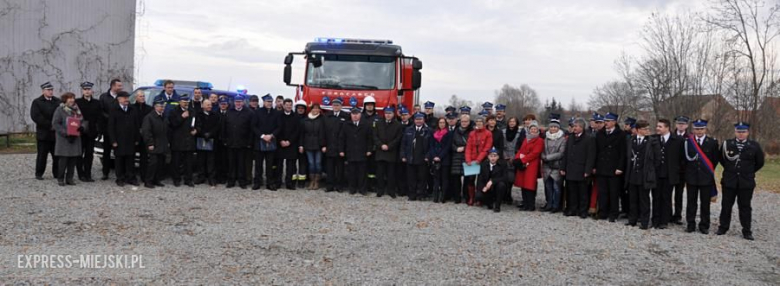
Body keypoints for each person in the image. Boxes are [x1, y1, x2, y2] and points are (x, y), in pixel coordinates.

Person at [716, 122, 764, 240]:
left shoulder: (754, 146)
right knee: (726, 205)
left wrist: (748, 172)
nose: (741, 134)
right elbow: (722, 160)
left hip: (746, 182)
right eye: (738, 131)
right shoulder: (727, 144)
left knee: (745, 206)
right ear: (735, 132)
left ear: (747, 132)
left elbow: (759, 162)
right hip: (729, 180)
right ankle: (723, 227)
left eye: (743, 132)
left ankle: (746, 231)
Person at [683, 119, 719, 234]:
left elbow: (714, 160)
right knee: (691, 202)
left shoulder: (712, 142)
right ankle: (690, 224)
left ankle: (704, 225)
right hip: (691, 177)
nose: (699, 131)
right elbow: (684, 159)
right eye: (697, 129)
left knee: (705, 203)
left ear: (705, 129)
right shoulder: (688, 142)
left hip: (706, 177)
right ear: (693, 129)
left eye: (701, 129)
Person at [624, 120, 661, 229]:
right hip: (632, 174)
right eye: (645, 129)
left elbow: (657, 159)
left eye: (648, 129)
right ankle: (632, 220)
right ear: (638, 130)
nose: (647, 131)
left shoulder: (652, 141)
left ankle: (644, 222)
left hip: (644, 174)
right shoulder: (631, 140)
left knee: (644, 199)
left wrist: (650, 170)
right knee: (633, 199)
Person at [595, 112, 627, 222]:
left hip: (614, 168)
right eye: (605, 121)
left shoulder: (621, 134)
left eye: (608, 121)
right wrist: (595, 166)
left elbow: (623, 153)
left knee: (614, 192)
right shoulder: (600, 133)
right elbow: (596, 151)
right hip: (602, 167)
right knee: (602, 192)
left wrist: (620, 167)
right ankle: (603, 212)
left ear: (614, 122)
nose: (606, 123)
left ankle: (614, 213)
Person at [561, 118, 596, 218]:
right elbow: (566, 153)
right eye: (573, 126)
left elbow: (591, 156)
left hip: (582, 169)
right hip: (571, 169)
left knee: (583, 192)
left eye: (576, 126)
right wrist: (563, 168)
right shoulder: (570, 137)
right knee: (571, 191)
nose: (574, 128)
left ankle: (583, 211)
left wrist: (588, 170)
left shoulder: (589, 138)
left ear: (581, 127)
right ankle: (572, 209)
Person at [652, 118, 683, 229]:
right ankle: (655, 219)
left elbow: (681, 158)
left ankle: (664, 220)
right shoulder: (654, 139)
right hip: (656, 173)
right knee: (656, 197)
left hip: (670, 174)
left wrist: (677, 170)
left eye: (660, 126)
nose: (657, 128)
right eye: (657, 126)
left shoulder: (678, 140)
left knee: (666, 197)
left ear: (667, 128)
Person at [107, 91, 139, 187]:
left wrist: (137, 138)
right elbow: (111, 127)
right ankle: (120, 178)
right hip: (119, 140)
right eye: (124, 98)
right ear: (119, 99)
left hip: (130, 140)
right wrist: (113, 141)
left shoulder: (132, 109)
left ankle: (131, 178)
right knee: (119, 161)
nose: (126, 100)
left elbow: (136, 125)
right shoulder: (114, 110)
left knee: (130, 160)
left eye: (127, 97)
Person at [31, 82, 61, 180]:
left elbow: (62, 114)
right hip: (43, 134)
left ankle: (57, 173)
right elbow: (36, 116)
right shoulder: (37, 102)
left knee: (56, 156)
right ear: (43, 91)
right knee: (42, 155)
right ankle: (39, 173)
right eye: (48, 90)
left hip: (55, 134)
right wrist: (49, 125)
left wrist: (56, 125)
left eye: (51, 90)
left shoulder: (58, 101)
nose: (50, 92)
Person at [51, 92, 82, 186]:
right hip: (64, 139)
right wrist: (66, 133)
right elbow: (55, 123)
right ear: (65, 100)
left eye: (73, 98)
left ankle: (70, 178)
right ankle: (60, 178)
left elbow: (82, 120)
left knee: (73, 160)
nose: (72, 100)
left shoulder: (77, 109)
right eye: (70, 98)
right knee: (63, 160)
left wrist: (82, 127)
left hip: (75, 138)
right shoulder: (60, 110)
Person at [222, 95, 253, 189]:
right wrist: (225, 140)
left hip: (243, 143)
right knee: (231, 163)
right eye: (236, 102)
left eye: (240, 101)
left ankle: (241, 181)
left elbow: (251, 129)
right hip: (231, 142)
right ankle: (231, 180)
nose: (238, 103)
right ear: (234, 102)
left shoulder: (249, 113)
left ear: (243, 102)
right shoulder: (229, 112)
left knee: (241, 163)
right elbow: (224, 127)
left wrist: (249, 142)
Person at [252, 94, 281, 190]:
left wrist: (272, 135)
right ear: (264, 102)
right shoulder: (257, 112)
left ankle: (270, 183)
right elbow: (253, 126)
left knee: (270, 164)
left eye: (270, 102)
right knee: (258, 164)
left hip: (271, 141)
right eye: (268, 102)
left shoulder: (276, 113)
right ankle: (257, 182)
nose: (269, 103)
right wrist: (263, 136)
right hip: (259, 141)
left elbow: (279, 127)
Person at [513, 121, 544, 211]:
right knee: (523, 183)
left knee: (530, 184)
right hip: (523, 164)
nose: (533, 131)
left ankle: (531, 204)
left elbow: (535, 153)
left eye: (535, 129)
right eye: (531, 129)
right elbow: (521, 150)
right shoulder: (526, 139)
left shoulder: (539, 140)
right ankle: (525, 202)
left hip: (532, 164)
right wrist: (517, 158)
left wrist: (522, 160)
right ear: (529, 130)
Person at [374, 105, 403, 198]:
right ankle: (380, 190)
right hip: (380, 152)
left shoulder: (398, 125)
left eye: (390, 113)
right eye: (386, 113)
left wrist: (389, 146)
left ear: (393, 114)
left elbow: (398, 138)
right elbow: (374, 136)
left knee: (391, 174)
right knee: (380, 174)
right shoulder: (378, 123)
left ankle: (391, 191)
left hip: (391, 153)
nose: (388, 115)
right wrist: (381, 145)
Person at [401, 112, 431, 201]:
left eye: (420, 119)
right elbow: (403, 144)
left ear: (423, 120)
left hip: (422, 158)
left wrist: (428, 156)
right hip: (411, 157)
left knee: (422, 178)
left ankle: (421, 195)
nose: (418, 121)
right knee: (411, 178)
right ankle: (412, 195)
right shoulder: (408, 130)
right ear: (414, 120)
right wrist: (403, 155)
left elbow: (431, 145)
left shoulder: (428, 131)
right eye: (417, 119)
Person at [342, 108, 373, 195]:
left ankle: (362, 189)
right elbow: (342, 138)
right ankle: (352, 188)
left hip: (362, 152)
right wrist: (342, 150)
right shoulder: (346, 125)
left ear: (360, 114)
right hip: (350, 151)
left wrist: (369, 149)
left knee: (362, 172)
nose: (355, 116)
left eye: (357, 114)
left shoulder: (366, 125)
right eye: (353, 114)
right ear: (350, 115)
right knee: (351, 172)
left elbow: (370, 138)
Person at [169, 95, 197, 187]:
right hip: (177, 141)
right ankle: (176, 179)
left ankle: (188, 179)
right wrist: (182, 117)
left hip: (189, 140)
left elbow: (197, 123)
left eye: (187, 102)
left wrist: (196, 130)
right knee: (176, 162)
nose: (186, 104)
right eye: (184, 102)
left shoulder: (192, 111)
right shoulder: (174, 111)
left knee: (188, 162)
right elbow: (173, 124)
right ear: (180, 102)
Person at [465, 117, 493, 206]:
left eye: (480, 122)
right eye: (477, 122)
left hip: (483, 160)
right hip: (472, 160)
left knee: (481, 180)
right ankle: (471, 198)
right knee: (471, 179)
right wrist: (468, 160)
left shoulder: (488, 133)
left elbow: (487, 148)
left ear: (484, 124)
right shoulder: (472, 133)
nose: (479, 124)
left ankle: (480, 198)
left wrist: (479, 159)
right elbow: (468, 147)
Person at [75, 82, 100, 182]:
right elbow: (73, 117)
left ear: (92, 90)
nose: (87, 91)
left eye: (89, 89)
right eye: (85, 89)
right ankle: (81, 174)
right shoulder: (77, 102)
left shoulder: (96, 103)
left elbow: (99, 118)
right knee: (79, 154)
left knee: (89, 154)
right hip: (80, 133)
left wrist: (98, 130)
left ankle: (88, 174)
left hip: (91, 133)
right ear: (82, 90)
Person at [141, 99, 169, 188]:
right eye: (161, 106)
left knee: (160, 164)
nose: (163, 108)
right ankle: (148, 181)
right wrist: (150, 143)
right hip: (154, 144)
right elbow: (146, 131)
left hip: (162, 143)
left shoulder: (163, 116)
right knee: (153, 164)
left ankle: (156, 179)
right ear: (155, 107)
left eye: (163, 106)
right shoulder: (149, 117)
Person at [99, 78, 123, 180]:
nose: (120, 87)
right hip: (107, 129)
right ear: (113, 86)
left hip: (119, 130)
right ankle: (105, 172)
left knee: (119, 152)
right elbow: (100, 111)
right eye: (119, 86)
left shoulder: (121, 96)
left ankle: (120, 173)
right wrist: (111, 118)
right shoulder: (104, 97)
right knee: (106, 152)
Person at [541, 116, 566, 213]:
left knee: (556, 187)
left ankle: (556, 205)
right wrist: (543, 156)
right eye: (551, 127)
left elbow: (561, 153)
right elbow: (542, 150)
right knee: (548, 187)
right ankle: (549, 204)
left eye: (555, 127)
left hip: (556, 166)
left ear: (558, 128)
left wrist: (548, 158)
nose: (553, 129)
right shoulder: (545, 138)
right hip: (546, 166)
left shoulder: (562, 139)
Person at [300, 103, 326, 190]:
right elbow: (302, 134)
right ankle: (311, 181)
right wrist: (301, 145)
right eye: (314, 108)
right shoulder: (305, 120)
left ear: (319, 110)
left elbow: (324, 133)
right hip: (308, 145)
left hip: (319, 145)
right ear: (311, 109)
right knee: (311, 164)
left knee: (318, 164)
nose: (315, 110)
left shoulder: (322, 119)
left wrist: (323, 145)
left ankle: (317, 182)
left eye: (317, 108)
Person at [324, 97, 348, 192]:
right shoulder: (327, 116)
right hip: (329, 146)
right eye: (334, 105)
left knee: (340, 169)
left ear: (341, 106)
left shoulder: (345, 116)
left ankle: (339, 186)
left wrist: (344, 148)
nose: (336, 107)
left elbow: (346, 133)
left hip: (340, 147)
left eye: (337, 105)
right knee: (330, 169)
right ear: (332, 106)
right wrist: (323, 145)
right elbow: (323, 132)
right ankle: (329, 186)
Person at [195, 99, 220, 187]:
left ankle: (211, 178)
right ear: (203, 106)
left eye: (210, 105)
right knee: (200, 160)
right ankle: (201, 177)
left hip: (212, 140)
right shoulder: (198, 115)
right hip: (201, 139)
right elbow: (197, 125)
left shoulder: (215, 115)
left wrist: (210, 134)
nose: (209, 106)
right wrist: (202, 133)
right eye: (207, 105)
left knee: (211, 160)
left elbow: (217, 126)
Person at [277, 99, 301, 190]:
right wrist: (281, 140)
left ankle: (289, 183)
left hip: (291, 144)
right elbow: (277, 128)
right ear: (283, 105)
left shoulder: (296, 116)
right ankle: (278, 182)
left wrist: (289, 141)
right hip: (280, 143)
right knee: (279, 165)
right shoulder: (278, 115)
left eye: (290, 105)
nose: (288, 107)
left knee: (290, 166)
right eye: (287, 105)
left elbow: (297, 131)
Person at [671, 116, 690, 225]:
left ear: (687, 125)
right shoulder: (671, 136)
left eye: (683, 124)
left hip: (682, 171)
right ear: (676, 125)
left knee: (679, 194)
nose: (681, 125)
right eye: (679, 123)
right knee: (667, 193)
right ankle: (667, 214)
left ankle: (677, 215)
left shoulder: (690, 137)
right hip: (670, 170)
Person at [450, 114, 472, 204]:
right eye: (462, 121)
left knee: (468, 178)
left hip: (468, 156)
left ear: (469, 122)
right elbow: (451, 143)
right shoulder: (455, 131)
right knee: (456, 179)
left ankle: (467, 197)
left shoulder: (472, 131)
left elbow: (474, 144)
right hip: (456, 156)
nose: (464, 123)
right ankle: (457, 197)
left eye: (466, 121)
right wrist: (456, 148)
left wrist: (465, 148)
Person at [476, 147, 507, 212]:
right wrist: (483, 188)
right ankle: (489, 202)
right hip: (487, 187)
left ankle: (497, 206)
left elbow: (505, 177)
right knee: (478, 195)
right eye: (491, 156)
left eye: (495, 156)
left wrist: (492, 181)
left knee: (501, 185)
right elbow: (480, 179)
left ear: (498, 157)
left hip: (496, 186)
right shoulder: (483, 165)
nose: (493, 158)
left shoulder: (502, 165)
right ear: (488, 157)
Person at [429, 117, 452, 203]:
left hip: (445, 159)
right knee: (436, 179)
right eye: (440, 123)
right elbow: (431, 145)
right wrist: (434, 156)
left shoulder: (449, 133)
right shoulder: (434, 133)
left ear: (445, 124)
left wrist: (440, 156)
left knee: (444, 179)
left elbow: (448, 146)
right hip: (435, 159)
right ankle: (435, 197)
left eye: (443, 123)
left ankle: (443, 197)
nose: (442, 124)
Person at [501, 117, 521, 204]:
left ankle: (509, 194)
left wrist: (515, 157)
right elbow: (501, 145)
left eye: (514, 121)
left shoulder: (520, 132)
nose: (512, 123)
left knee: (511, 178)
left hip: (515, 157)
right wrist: (505, 156)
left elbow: (520, 146)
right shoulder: (503, 132)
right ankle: (504, 195)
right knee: (504, 177)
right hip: (505, 156)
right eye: (510, 121)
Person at [361, 96, 379, 193]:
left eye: (371, 105)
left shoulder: (378, 118)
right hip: (362, 146)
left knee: (373, 168)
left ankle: (371, 185)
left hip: (374, 146)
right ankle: (363, 185)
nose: (369, 107)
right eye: (367, 105)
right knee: (363, 167)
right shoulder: (361, 117)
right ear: (364, 106)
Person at [134, 90, 153, 183]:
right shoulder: (132, 108)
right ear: (136, 97)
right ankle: (131, 176)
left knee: (144, 157)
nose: (142, 98)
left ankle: (144, 176)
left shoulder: (149, 109)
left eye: (143, 96)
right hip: (134, 136)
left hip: (145, 136)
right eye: (140, 96)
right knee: (131, 157)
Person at [293, 100, 309, 188]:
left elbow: (305, 133)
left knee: (303, 164)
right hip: (293, 144)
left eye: (302, 108)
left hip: (303, 144)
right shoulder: (292, 117)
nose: (300, 110)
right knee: (292, 163)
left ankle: (302, 182)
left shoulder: (307, 119)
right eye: (298, 108)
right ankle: (293, 180)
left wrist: (302, 145)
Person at [215, 96, 231, 184]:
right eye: (222, 104)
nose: (223, 105)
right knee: (217, 160)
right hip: (217, 140)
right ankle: (218, 176)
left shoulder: (230, 114)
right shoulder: (215, 113)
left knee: (226, 160)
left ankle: (225, 176)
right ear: (219, 104)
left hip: (227, 140)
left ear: (227, 105)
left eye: (225, 104)